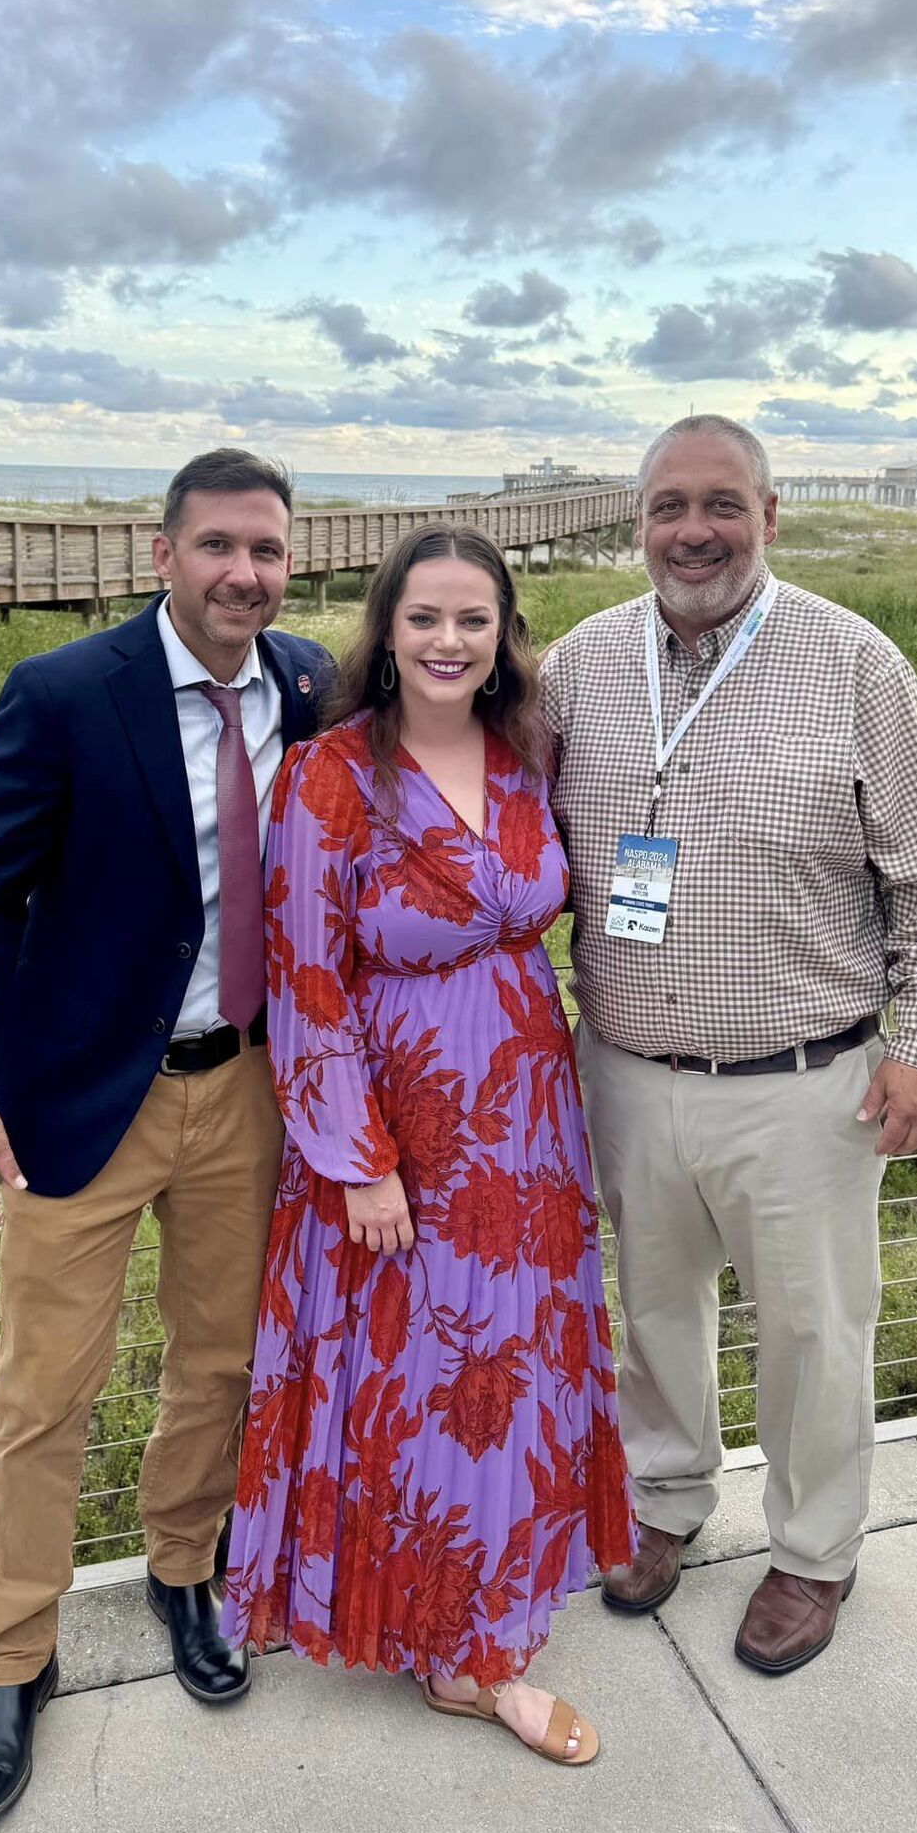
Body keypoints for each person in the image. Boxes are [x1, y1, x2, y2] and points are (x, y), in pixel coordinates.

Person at [0, 448, 331, 1830]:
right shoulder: (62, 694)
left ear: (292, 564)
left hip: (250, 1094)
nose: (244, 574)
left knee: (219, 1361)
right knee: (45, 1389)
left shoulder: (316, 687)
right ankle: (11, 1662)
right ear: (161, 554)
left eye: (268, 550)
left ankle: (183, 1571)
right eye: (219, 545)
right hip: (79, 1099)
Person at [543, 414, 917, 1675]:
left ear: (769, 516)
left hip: (804, 1080)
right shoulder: (578, 666)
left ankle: (811, 1549)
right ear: (636, 522)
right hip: (623, 1069)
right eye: (668, 505)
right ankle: (666, 1498)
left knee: (811, 1328)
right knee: (650, 1311)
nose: (694, 530)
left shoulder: (854, 664)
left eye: (721, 504)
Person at [219, 525, 633, 1767]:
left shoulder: (526, 758)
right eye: (423, 619)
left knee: (508, 1373)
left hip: (529, 1124)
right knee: (417, 1383)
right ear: (385, 633)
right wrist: (359, 1158)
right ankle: (456, 1649)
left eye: (472, 619)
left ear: (505, 635)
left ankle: (485, 1618)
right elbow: (305, 979)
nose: (448, 641)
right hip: (403, 1130)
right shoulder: (332, 775)